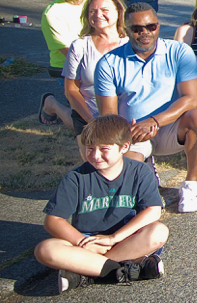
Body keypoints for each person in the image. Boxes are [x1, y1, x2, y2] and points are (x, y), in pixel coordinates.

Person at [95, 3, 197, 212]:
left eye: (151, 26)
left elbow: (190, 99)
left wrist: (154, 121)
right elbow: (108, 115)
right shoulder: (108, 63)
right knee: (132, 197)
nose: (145, 32)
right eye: (137, 28)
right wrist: (127, 132)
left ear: (158, 26)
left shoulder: (179, 52)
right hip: (132, 132)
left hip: (171, 127)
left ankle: (191, 185)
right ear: (125, 29)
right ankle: (145, 168)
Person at [35, 114, 167, 292]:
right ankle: (126, 270)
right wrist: (83, 241)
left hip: (125, 240)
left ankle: (85, 273)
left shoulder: (140, 171)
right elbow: (53, 220)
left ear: (124, 147)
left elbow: (153, 211)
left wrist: (113, 238)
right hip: (87, 243)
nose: (96, 155)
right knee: (45, 250)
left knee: (159, 232)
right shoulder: (76, 178)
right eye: (90, 148)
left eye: (104, 149)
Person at [48, 0, 127, 138]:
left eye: (104, 10)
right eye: (93, 11)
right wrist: (92, 121)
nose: (98, 15)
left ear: (118, 13)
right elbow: (71, 90)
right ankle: (53, 105)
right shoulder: (79, 46)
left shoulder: (130, 45)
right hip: (88, 115)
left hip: (127, 117)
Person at [40, 0, 96, 87]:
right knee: (88, 106)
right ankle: (51, 105)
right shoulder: (52, 13)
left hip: (100, 60)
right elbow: (68, 51)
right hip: (69, 66)